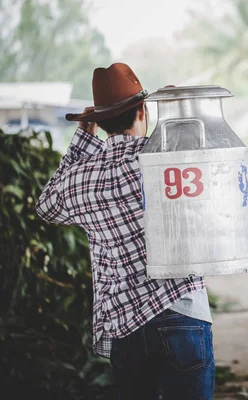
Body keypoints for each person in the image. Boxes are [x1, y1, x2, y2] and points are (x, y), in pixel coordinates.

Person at [36, 63, 215, 399]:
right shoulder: (165, 158)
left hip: (126, 325)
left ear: (99, 123)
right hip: (182, 310)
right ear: (143, 110)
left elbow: (47, 206)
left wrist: (83, 138)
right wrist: (178, 113)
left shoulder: (80, 178)